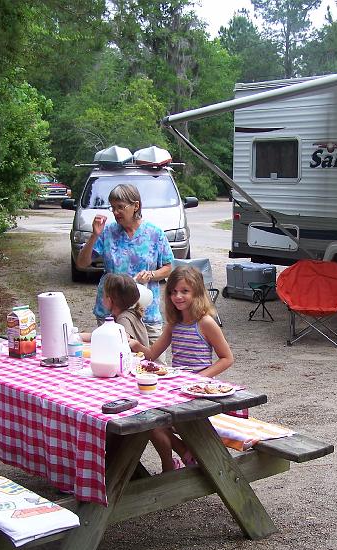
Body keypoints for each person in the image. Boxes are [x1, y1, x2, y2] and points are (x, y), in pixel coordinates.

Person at [131, 265, 234, 471]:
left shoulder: (205, 323)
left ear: (197, 292)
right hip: (178, 387)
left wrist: (199, 379)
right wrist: (134, 345)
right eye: (173, 292)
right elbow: (151, 354)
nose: (178, 296)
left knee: (155, 422)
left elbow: (227, 358)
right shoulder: (174, 323)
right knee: (148, 421)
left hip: (200, 390)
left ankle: (178, 460)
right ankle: (174, 460)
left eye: (184, 291)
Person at [75, 183, 173, 343]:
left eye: (120, 207)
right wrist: (94, 236)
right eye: (112, 207)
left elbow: (169, 267)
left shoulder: (154, 233)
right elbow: (82, 263)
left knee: (153, 363)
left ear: (136, 206)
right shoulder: (107, 232)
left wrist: (152, 274)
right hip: (111, 312)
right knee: (112, 360)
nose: (115, 212)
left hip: (145, 310)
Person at [83, 273, 148, 346]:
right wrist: (79, 336)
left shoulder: (123, 318)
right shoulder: (122, 315)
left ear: (110, 300)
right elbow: (102, 335)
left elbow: (124, 339)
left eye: (103, 295)